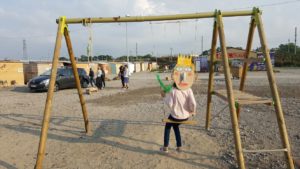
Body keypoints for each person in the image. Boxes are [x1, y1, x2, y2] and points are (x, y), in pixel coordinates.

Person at [160, 54, 197, 153]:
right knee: (175, 126)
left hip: (175, 116)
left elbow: (170, 104)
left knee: (168, 127)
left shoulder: (173, 90)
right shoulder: (189, 89)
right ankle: (179, 146)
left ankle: (165, 147)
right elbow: (193, 103)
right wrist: (192, 112)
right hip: (186, 116)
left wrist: (163, 96)